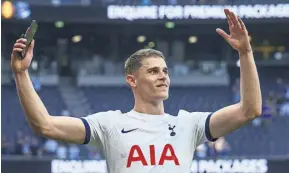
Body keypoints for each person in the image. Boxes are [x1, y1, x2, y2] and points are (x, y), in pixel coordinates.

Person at [10, 9, 261, 173]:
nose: (163, 76)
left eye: (165, 71)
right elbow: (45, 125)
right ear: (132, 79)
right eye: (153, 71)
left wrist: (246, 53)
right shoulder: (108, 124)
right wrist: (21, 73)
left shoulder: (190, 124)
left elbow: (249, 110)